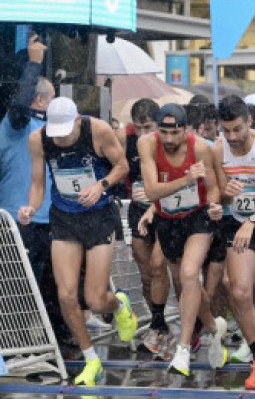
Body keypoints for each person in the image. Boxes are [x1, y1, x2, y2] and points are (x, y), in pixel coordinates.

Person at [18, 97, 137, 386]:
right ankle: (91, 359)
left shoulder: (97, 131)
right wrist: (31, 208)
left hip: (98, 216)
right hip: (65, 218)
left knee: (94, 299)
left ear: (77, 120)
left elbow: (122, 166)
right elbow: (38, 184)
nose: (60, 139)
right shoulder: (38, 139)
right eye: (54, 132)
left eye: (65, 132)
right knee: (66, 294)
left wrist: (101, 185)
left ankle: (120, 304)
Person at [137, 104, 228, 376]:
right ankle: (213, 326)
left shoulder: (200, 148)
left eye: (174, 132)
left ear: (186, 129)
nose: (168, 139)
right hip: (168, 219)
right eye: (163, 131)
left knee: (189, 274)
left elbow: (213, 189)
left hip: (197, 217)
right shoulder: (147, 144)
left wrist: (213, 206)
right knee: (182, 281)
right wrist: (187, 179)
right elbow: (152, 190)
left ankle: (184, 350)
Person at [0, 36, 71, 347]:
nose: (54, 105)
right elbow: (19, 102)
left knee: (53, 285)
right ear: (38, 100)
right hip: (19, 221)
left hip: (50, 220)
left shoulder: (49, 131)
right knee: (18, 288)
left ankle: (56, 338)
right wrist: (34, 62)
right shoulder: (15, 124)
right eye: (51, 98)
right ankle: (14, 344)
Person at [211, 96, 255, 389]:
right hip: (241, 225)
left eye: (237, 129)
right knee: (238, 290)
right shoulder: (218, 149)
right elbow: (218, 194)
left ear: (250, 121)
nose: (232, 137)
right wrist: (221, 200)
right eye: (226, 130)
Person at [116, 99, 173, 356]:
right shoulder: (126, 139)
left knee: (159, 267)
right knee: (145, 273)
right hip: (138, 209)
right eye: (137, 128)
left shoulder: (167, 141)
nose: (141, 134)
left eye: (147, 127)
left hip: (164, 211)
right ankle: (156, 323)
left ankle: (167, 325)